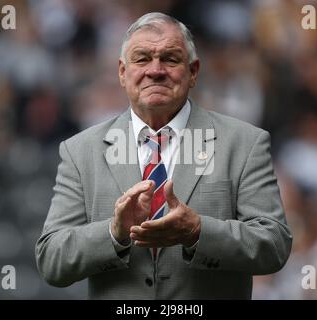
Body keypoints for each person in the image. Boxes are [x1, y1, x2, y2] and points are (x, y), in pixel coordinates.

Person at [35, 12, 292, 299]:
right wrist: (113, 233)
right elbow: (51, 260)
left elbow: (275, 245)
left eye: (170, 58)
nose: (155, 70)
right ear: (122, 72)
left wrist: (197, 231)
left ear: (193, 71)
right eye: (142, 58)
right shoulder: (80, 150)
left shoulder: (245, 143)